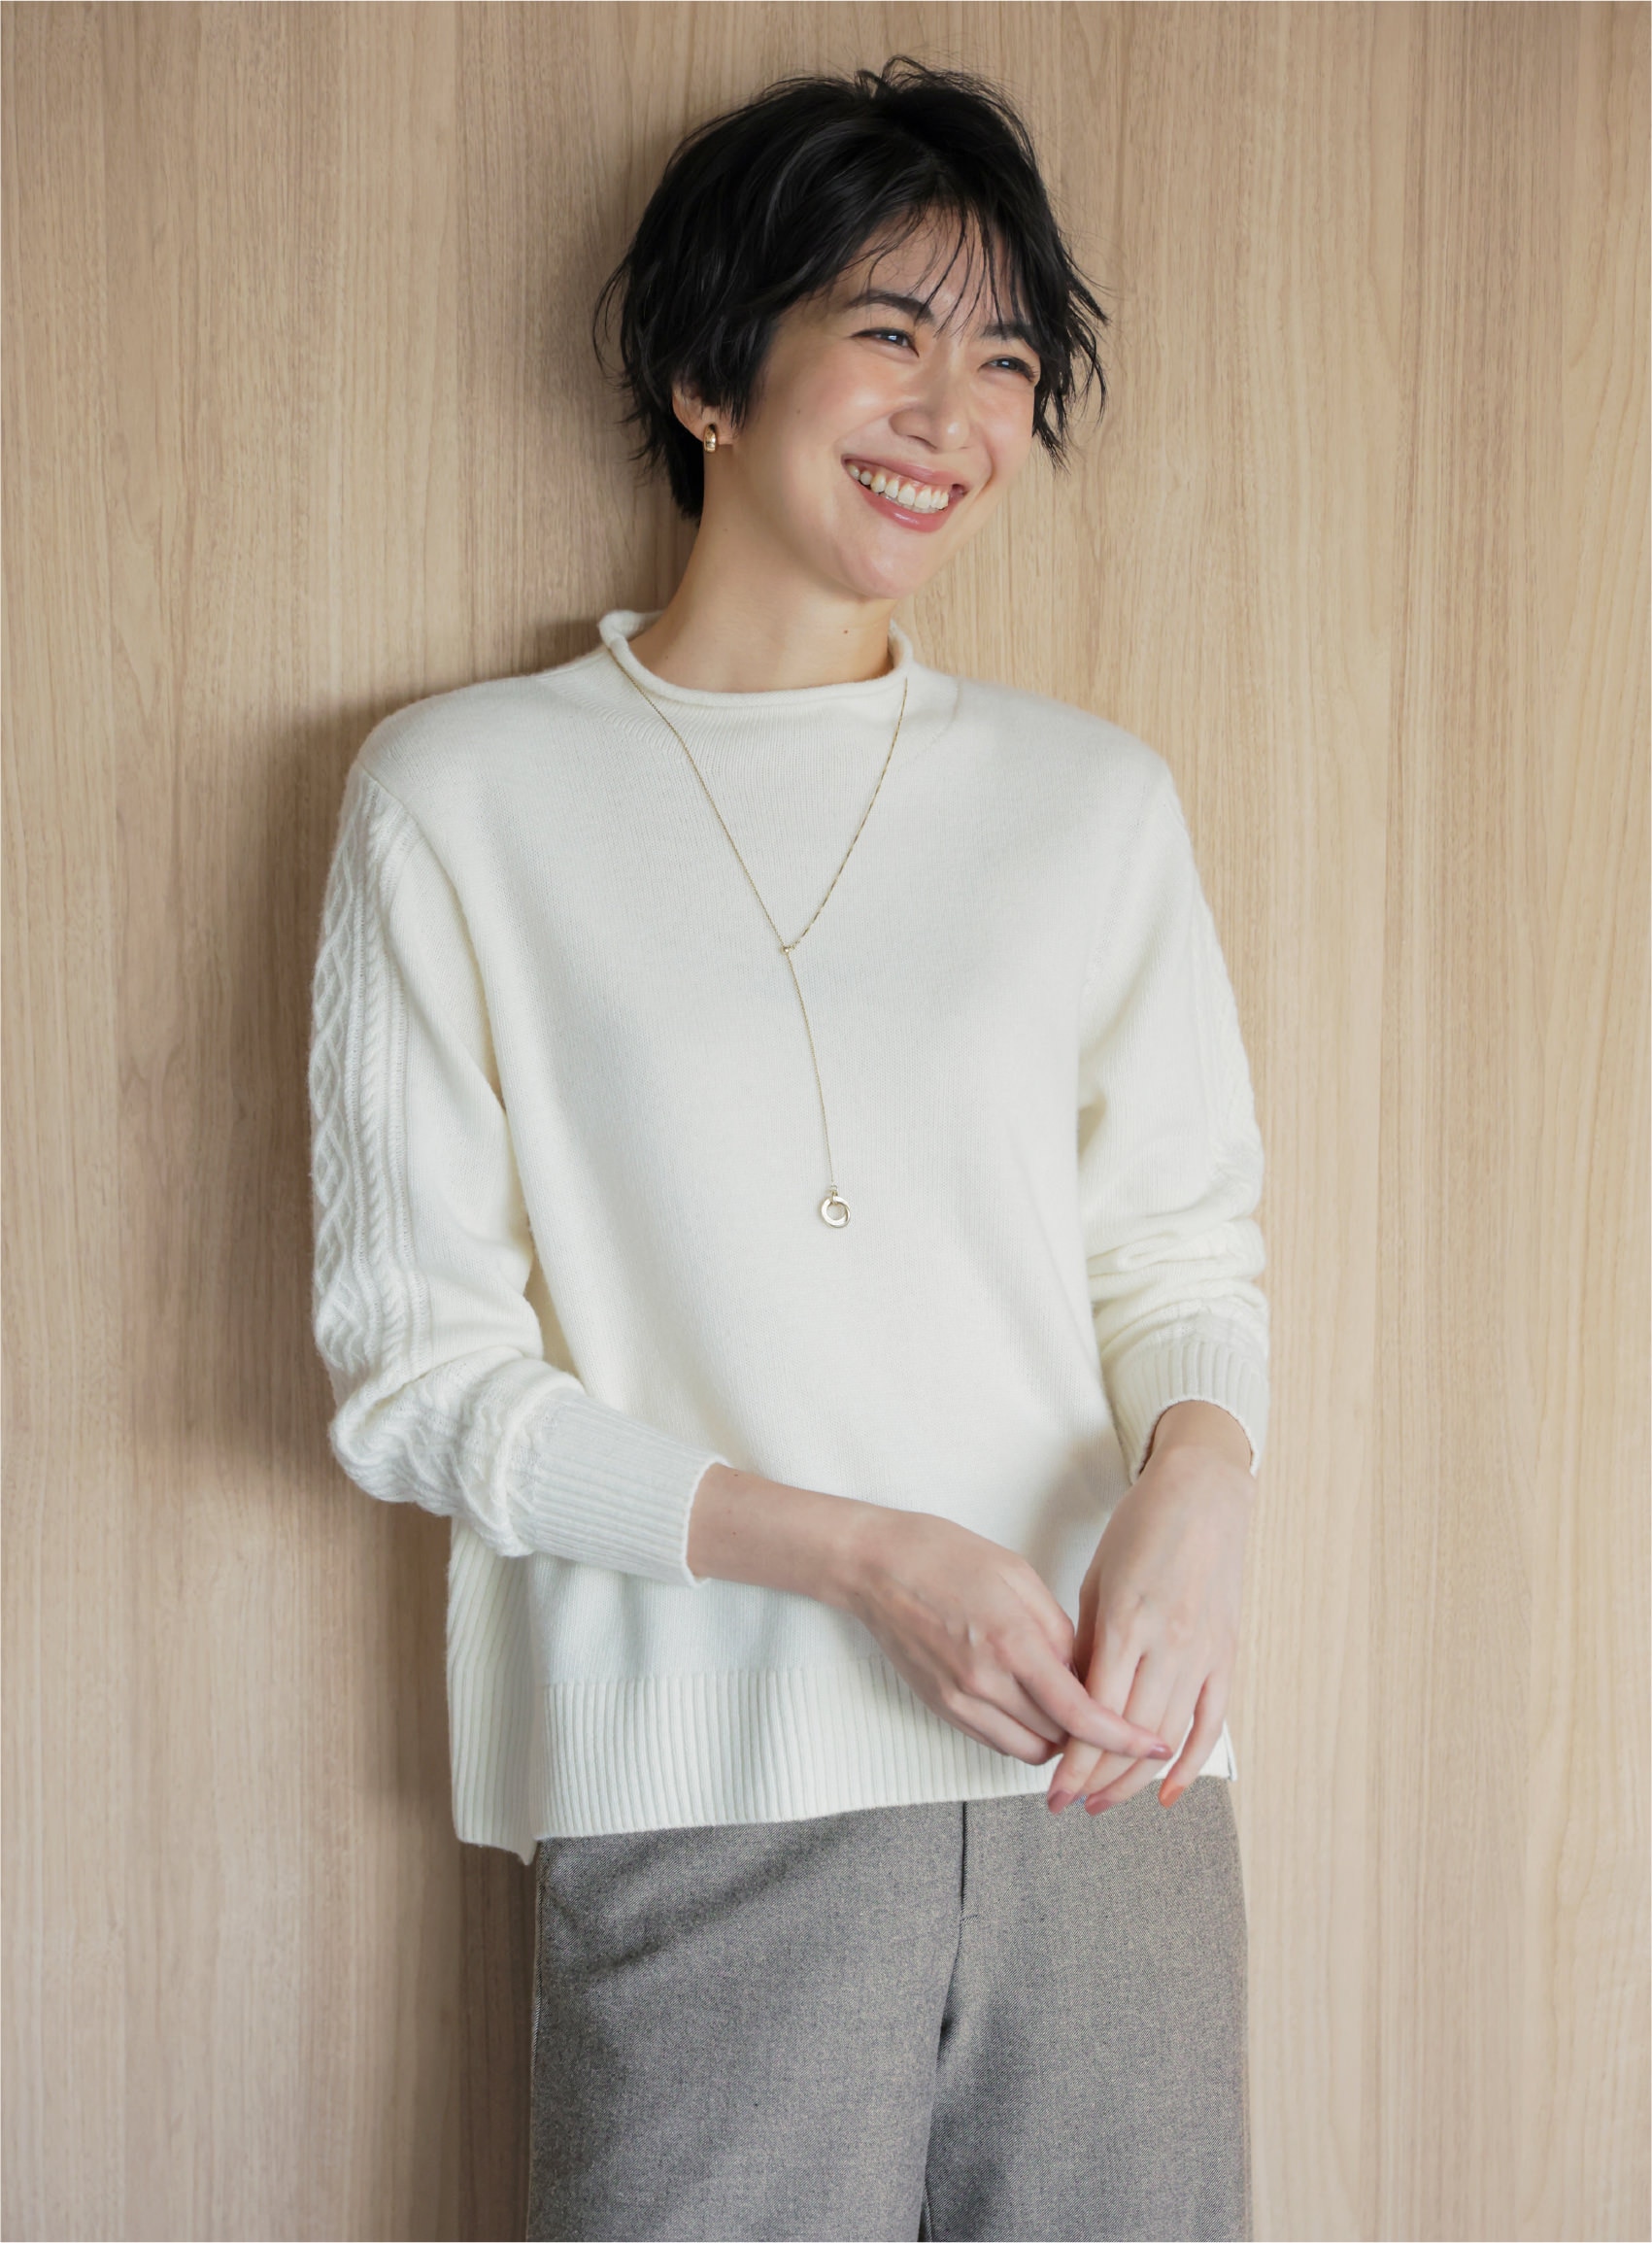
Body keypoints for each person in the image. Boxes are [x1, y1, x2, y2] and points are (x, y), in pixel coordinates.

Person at [309, 53, 1268, 2243]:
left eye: (1006, 359)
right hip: (705, 1800)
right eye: (888, 330)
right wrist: (861, 1558)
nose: (955, 411)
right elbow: (414, 1375)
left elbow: (1180, 1250)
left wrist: (1201, 1484)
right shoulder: (456, 797)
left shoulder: (1090, 802)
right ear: (704, 376)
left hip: (1108, 1792)